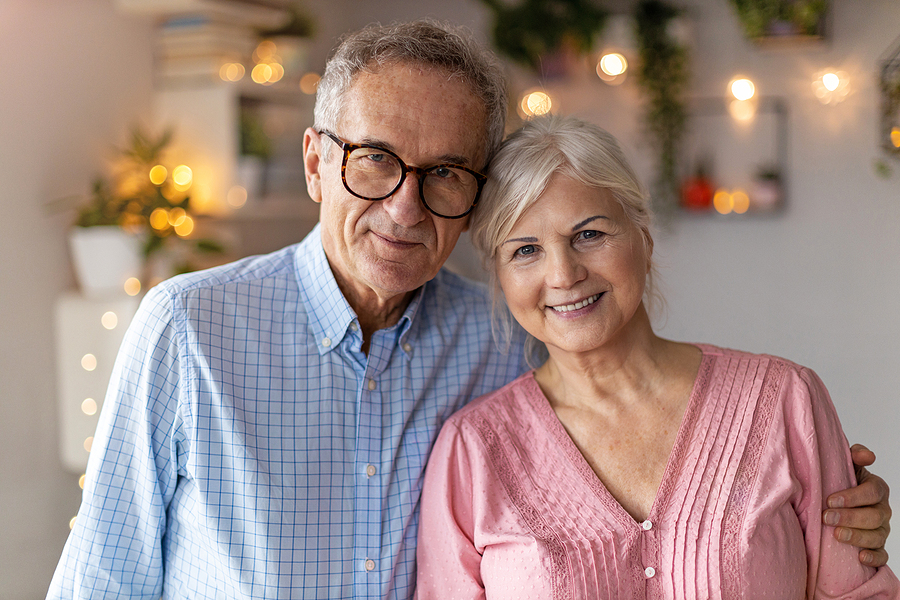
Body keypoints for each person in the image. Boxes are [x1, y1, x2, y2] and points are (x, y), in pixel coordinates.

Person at [48, 20, 890, 600]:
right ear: (314, 162)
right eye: (374, 160)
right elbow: (102, 578)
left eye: (446, 173)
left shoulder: (501, 338)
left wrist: (830, 501)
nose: (406, 208)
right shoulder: (189, 329)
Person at [415, 114, 899, 598]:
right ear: (499, 274)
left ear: (643, 239)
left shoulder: (784, 399)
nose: (563, 275)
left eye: (589, 234)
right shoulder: (471, 450)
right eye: (525, 250)